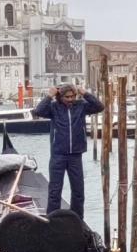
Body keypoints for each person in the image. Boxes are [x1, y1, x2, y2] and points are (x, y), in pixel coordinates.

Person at [33, 80, 104, 219]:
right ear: (60, 97)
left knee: (78, 191)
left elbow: (99, 106)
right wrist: (49, 96)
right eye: (67, 97)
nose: (70, 99)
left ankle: (77, 220)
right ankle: (52, 219)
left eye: (72, 96)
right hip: (58, 155)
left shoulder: (81, 106)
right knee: (55, 190)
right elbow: (39, 111)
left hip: (75, 155)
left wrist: (85, 93)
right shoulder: (53, 108)